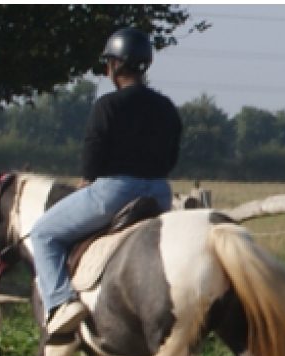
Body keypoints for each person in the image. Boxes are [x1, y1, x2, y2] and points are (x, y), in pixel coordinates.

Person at [30, 27, 182, 336]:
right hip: (159, 192)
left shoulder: (107, 105)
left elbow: (93, 151)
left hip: (114, 191)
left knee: (44, 233)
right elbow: (170, 157)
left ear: (114, 65)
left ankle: (60, 302)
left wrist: (87, 180)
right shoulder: (166, 107)